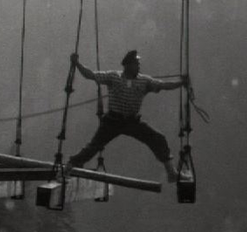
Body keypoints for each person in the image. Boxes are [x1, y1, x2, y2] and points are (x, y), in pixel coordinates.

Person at [65, 50, 188, 183]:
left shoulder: (144, 80)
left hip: (132, 121)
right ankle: (70, 165)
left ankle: (171, 173)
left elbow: (163, 85)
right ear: (128, 65)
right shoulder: (114, 77)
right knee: (94, 145)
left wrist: (180, 83)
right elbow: (91, 75)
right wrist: (77, 64)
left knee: (158, 139)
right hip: (112, 121)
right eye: (136, 63)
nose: (139, 66)